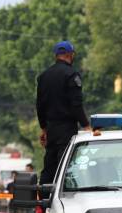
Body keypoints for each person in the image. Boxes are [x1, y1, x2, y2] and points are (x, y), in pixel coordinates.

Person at [36, 40, 90, 184]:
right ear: (70, 55)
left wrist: (44, 129)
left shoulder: (43, 76)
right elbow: (76, 104)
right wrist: (86, 126)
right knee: (66, 166)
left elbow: (39, 105)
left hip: (51, 129)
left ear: (56, 55)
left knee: (49, 166)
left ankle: (44, 200)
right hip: (66, 128)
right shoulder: (71, 74)